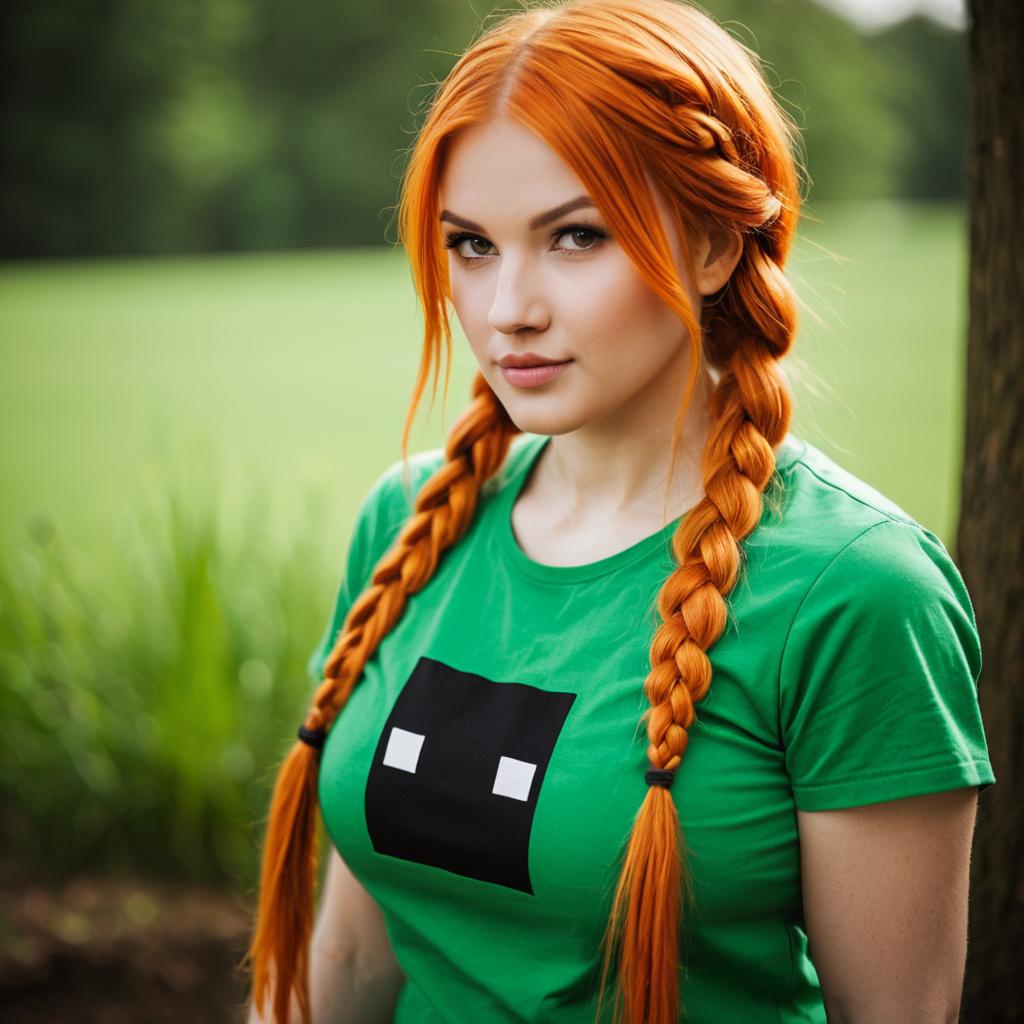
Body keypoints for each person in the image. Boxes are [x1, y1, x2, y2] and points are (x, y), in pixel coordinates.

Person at [243, 1, 996, 1021]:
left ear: (714, 246)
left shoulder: (857, 592)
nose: (508, 308)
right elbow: (348, 956)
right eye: (472, 245)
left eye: (576, 237)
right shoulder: (410, 521)